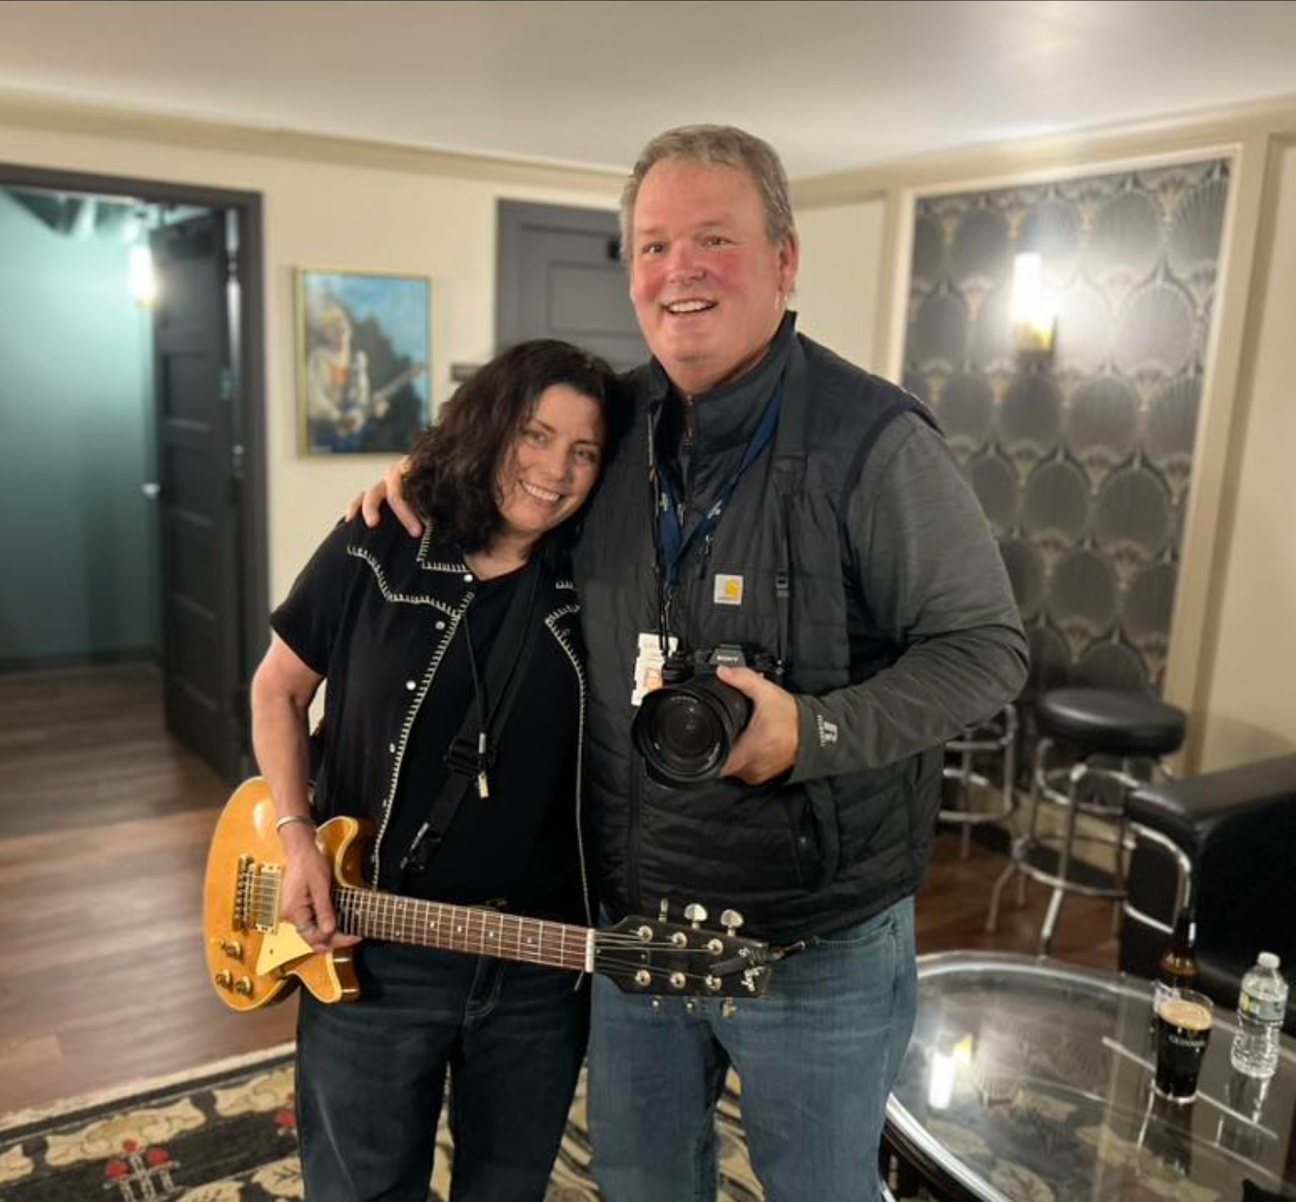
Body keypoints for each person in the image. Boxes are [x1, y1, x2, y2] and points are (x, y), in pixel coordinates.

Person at [360, 126, 1029, 1201]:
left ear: (784, 259)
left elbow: (987, 651)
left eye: (714, 238)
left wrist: (811, 731)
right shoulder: (611, 427)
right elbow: (514, 501)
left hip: (816, 944)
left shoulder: (875, 441)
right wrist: (428, 479)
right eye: (653, 245)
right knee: (641, 1185)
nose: (680, 270)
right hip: (636, 934)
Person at [251, 338, 621, 1201]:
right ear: (490, 427)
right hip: (374, 948)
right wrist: (297, 838)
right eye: (534, 435)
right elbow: (278, 690)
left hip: (537, 967)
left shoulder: (603, 577)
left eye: (583, 451)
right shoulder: (382, 540)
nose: (554, 470)